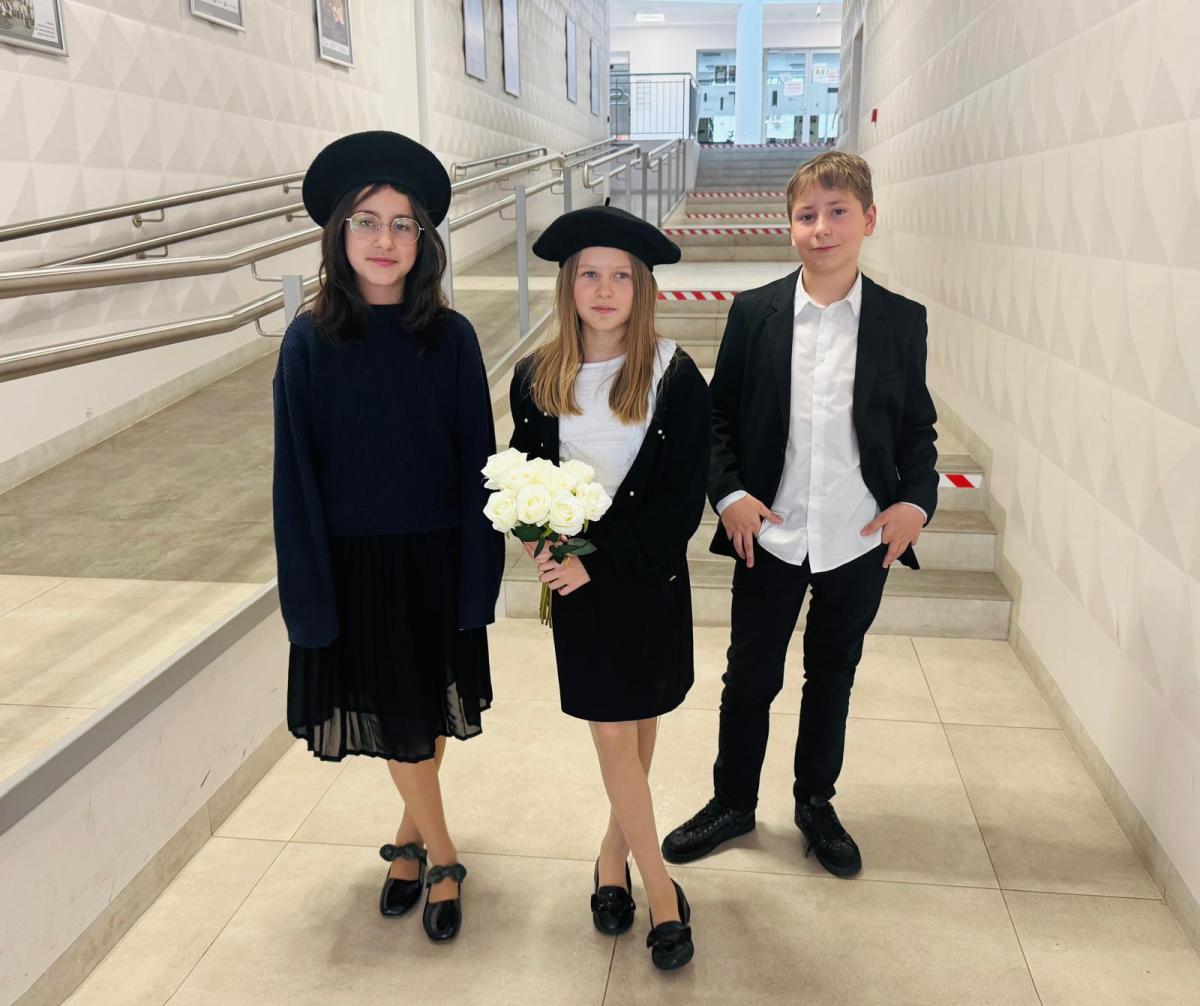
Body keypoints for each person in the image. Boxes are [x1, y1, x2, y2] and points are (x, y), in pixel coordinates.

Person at [662, 151, 939, 878]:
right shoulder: (755, 314)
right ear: (789, 225)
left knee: (832, 673)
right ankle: (732, 801)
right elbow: (718, 420)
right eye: (807, 215)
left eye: (838, 212)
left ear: (868, 219)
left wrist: (915, 502)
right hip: (771, 535)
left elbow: (916, 429)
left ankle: (815, 803)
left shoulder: (900, 321)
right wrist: (729, 495)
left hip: (858, 536)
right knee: (749, 677)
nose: (822, 228)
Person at [273, 130, 503, 942]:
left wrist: (480, 572)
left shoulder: (452, 336)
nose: (384, 240)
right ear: (339, 234)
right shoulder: (308, 340)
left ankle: (411, 843)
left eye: (403, 224)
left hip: (435, 557)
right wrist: (308, 590)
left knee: (424, 712)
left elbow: (479, 462)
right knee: (402, 716)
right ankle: (444, 855)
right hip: (354, 563)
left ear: (423, 240)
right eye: (367, 221)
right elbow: (295, 477)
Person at [508, 203, 710, 970]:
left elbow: (680, 498)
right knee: (613, 735)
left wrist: (601, 557)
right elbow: (522, 478)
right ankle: (661, 889)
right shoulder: (538, 377)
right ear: (568, 285)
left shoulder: (673, 376)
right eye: (588, 273)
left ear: (642, 288)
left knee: (640, 722)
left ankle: (609, 858)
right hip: (580, 592)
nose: (603, 289)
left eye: (620, 275)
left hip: (648, 580)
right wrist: (541, 542)